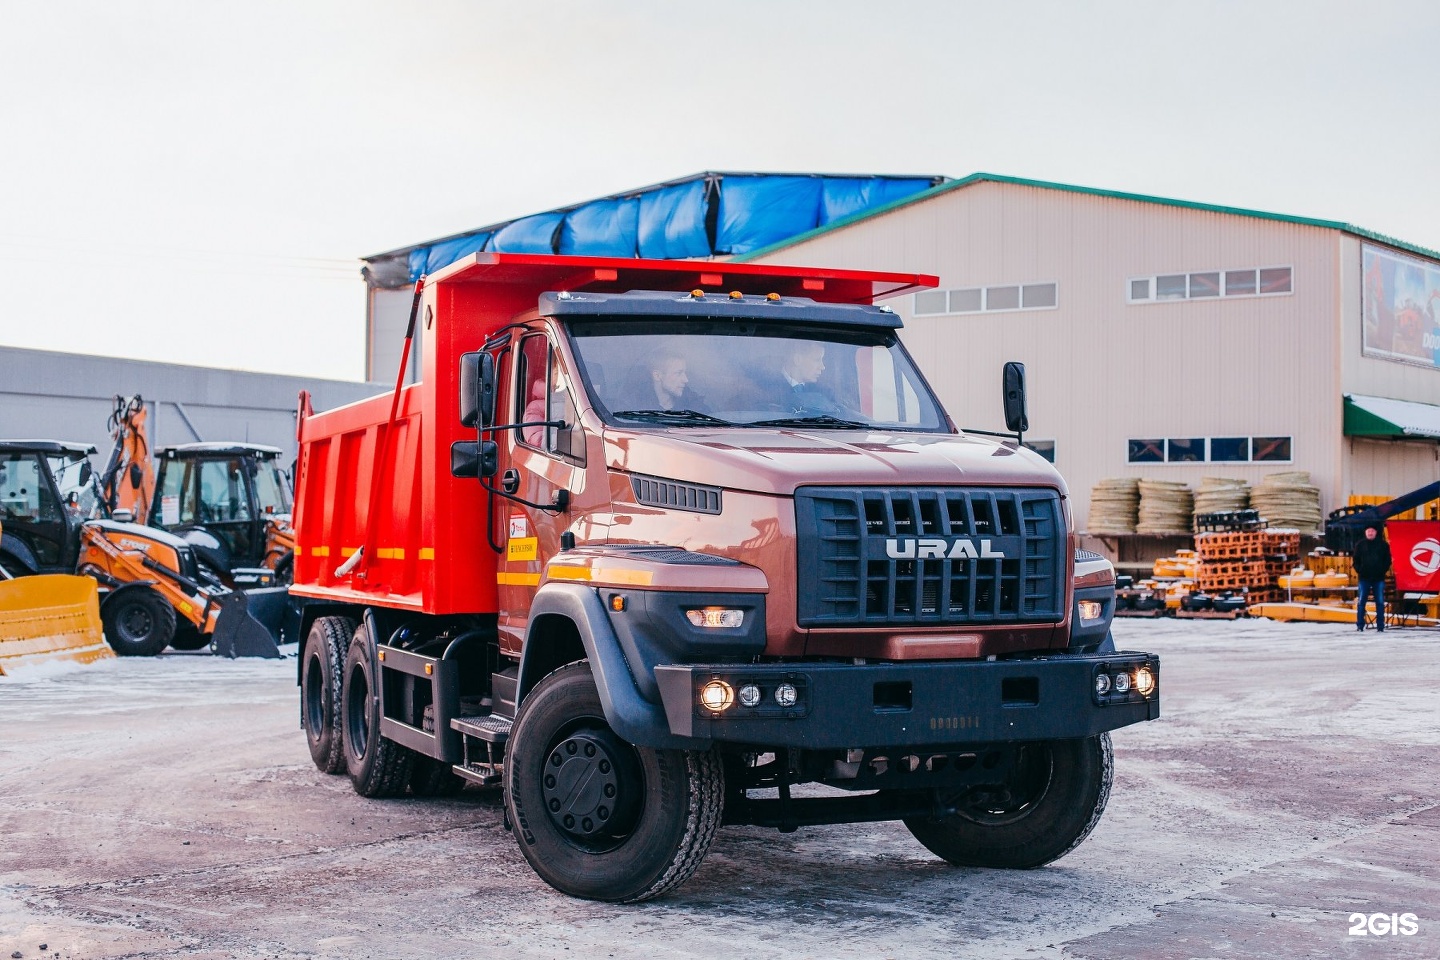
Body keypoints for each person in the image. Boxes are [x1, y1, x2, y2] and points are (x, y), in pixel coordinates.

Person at [1352, 523, 1392, 632]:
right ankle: (1360, 625)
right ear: (1365, 532)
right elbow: (1355, 561)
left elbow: (1387, 560)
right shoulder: (1360, 545)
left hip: (1378, 578)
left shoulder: (1383, 545)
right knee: (1361, 602)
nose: (1370, 533)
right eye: (1368, 531)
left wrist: (1382, 570)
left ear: (1376, 532)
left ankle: (1380, 626)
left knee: (1379, 602)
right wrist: (1360, 570)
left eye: (1372, 531)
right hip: (1364, 578)